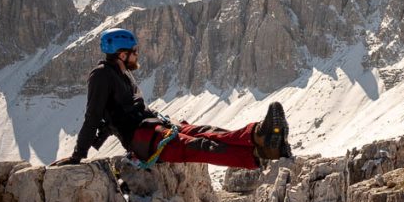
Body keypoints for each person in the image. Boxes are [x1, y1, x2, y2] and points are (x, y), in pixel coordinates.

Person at [50, 28, 291, 168]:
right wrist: (78, 156)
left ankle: (260, 134)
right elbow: (94, 116)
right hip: (143, 140)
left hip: (152, 129)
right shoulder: (102, 75)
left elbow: (107, 119)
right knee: (199, 146)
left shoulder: (122, 74)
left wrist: (100, 137)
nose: (137, 55)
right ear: (122, 54)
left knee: (205, 130)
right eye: (134, 52)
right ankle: (262, 154)